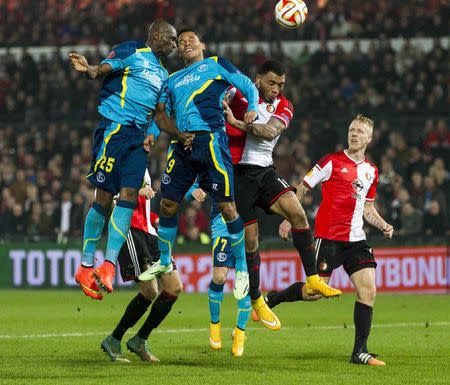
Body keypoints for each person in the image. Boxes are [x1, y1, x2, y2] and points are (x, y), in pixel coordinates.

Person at [68, 20, 191, 299]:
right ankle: (86, 265)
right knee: (103, 197)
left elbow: (158, 115)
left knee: (129, 196)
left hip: (136, 139)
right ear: (157, 36)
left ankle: (108, 264)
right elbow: (104, 69)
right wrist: (89, 70)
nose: (174, 46)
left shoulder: (163, 75)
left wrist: (163, 134)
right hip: (114, 128)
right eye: (171, 40)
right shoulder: (132, 50)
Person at [138, 27, 259, 301]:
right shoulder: (171, 79)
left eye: (191, 39)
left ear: (202, 44)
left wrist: (252, 105)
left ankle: (241, 268)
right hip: (181, 146)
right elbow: (163, 114)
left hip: (211, 141)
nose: (185, 43)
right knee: (168, 204)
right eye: (181, 42)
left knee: (227, 206)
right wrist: (152, 135)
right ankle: (165, 260)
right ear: (178, 50)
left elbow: (247, 84)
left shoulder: (215, 64)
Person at [221, 59, 341, 331]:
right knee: (251, 241)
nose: (276, 89)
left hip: (264, 171)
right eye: (272, 83)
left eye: (281, 85)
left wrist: (236, 123)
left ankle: (312, 278)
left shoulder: (285, 106)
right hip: (238, 174)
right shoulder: (237, 93)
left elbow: (268, 133)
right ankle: (256, 299)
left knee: (298, 213)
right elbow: (217, 109)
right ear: (258, 78)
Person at [267, 115, 394, 365]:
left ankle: (359, 352)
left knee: (368, 290)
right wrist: (289, 218)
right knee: (315, 292)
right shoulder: (331, 162)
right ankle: (276, 297)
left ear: (369, 138)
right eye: (351, 129)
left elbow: (368, 209)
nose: (354, 134)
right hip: (329, 239)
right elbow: (302, 188)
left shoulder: (371, 171)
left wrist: (383, 224)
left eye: (359, 131)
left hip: (356, 241)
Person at [101, 169, 183, 362]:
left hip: (150, 232)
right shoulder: (120, 158)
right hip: (130, 231)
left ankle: (140, 338)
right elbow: (108, 199)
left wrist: (152, 217)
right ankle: (114, 339)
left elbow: (139, 206)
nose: (152, 139)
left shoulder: (142, 163)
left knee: (175, 287)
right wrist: (138, 192)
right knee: (149, 291)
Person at [185, 182, 251, 357]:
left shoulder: (248, 165)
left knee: (246, 280)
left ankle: (240, 331)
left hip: (247, 224)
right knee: (219, 277)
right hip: (222, 225)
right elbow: (189, 187)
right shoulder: (216, 160)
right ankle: (215, 325)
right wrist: (194, 191)